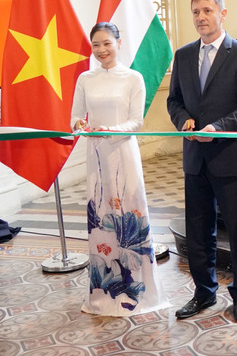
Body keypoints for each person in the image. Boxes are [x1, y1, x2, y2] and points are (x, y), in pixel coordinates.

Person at [167, 0, 237, 322]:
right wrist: (183, 121)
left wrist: (218, 127)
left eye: (207, 10)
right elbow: (174, 101)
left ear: (223, 13)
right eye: (195, 12)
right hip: (195, 159)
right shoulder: (182, 55)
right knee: (197, 229)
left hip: (230, 157)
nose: (200, 18)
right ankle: (204, 292)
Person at [70, 22, 169, 316]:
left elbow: (136, 121)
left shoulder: (133, 78)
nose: (101, 50)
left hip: (123, 150)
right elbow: (76, 116)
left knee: (129, 213)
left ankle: (139, 289)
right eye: (96, 45)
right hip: (96, 154)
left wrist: (111, 130)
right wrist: (80, 126)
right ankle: (103, 293)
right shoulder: (85, 78)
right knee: (101, 215)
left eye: (107, 44)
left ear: (119, 43)